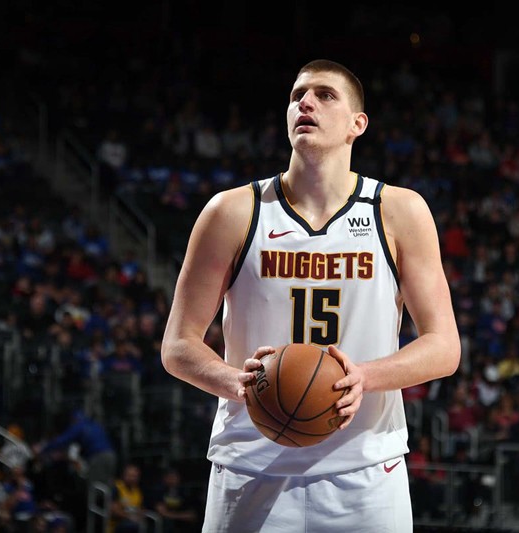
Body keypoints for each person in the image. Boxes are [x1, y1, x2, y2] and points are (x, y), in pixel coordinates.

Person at [160, 59, 460, 532]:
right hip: (250, 466)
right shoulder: (232, 212)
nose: (305, 103)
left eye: (325, 95)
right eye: (297, 95)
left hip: (365, 469)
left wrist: (364, 377)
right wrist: (236, 382)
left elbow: (444, 347)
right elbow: (177, 345)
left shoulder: (399, 211)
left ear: (357, 124)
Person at [34, 409, 117, 489]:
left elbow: (61, 441)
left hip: (98, 457)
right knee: (106, 485)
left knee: (94, 486)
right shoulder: (95, 425)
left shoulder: (79, 426)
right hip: (111, 456)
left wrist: (43, 450)